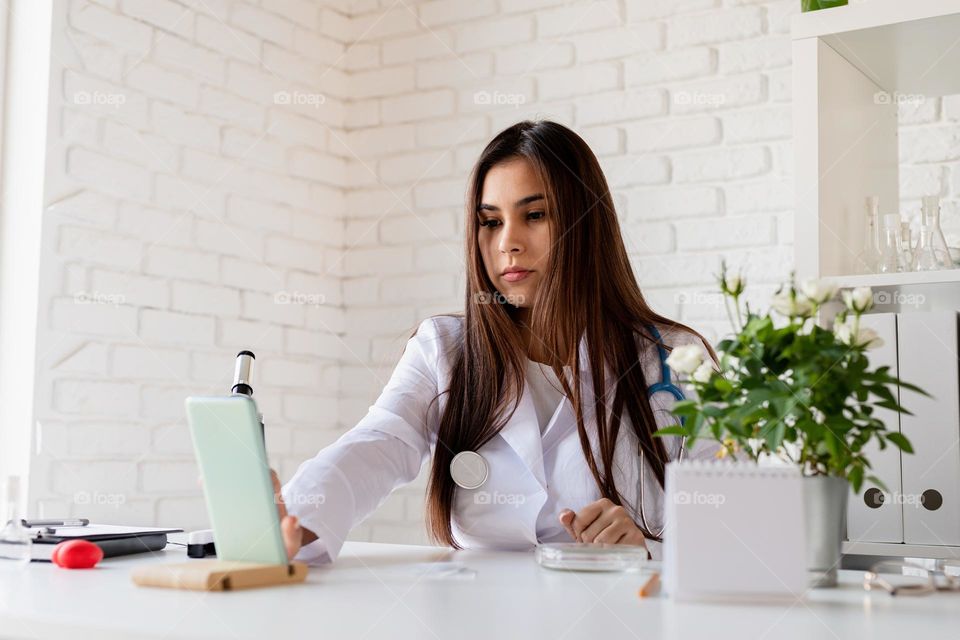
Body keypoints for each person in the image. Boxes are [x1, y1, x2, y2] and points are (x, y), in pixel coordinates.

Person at [273, 120, 719, 565]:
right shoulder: (444, 350)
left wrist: (647, 553)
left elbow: (729, 534)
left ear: (586, 223)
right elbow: (378, 443)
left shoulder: (675, 361)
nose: (508, 243)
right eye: (490, 221)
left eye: (535, 215)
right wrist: (294, 519)